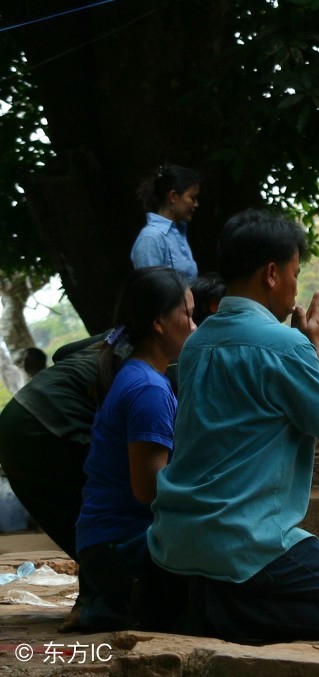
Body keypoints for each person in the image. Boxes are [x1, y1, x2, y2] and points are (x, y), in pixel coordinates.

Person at [148, 209, 319, 642]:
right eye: (294, 272)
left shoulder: (197, 342)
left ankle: (205, 602)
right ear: (272, 274)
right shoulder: (286, 346)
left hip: (177, 536)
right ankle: (219, 618)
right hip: (244, 539)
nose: (295, 286)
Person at [75, 267, 194, 631]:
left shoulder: (144, 377)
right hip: (118, 549)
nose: (194, 325)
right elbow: (148, 489)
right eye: (187, 315)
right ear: (159, 323)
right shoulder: (149, 389)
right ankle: (113, 607)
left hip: (106, 546)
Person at [0, 338, 110, 559]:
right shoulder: (142, 358)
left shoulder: (55, 376)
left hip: (18, 426)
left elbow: (63, 351)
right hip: (46, 430)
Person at [130, 164, 201, 280]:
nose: (196, 204)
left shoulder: (179, 234)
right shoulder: (150, 239)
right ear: (173, 196)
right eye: (192, 198)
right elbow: (150, 290)